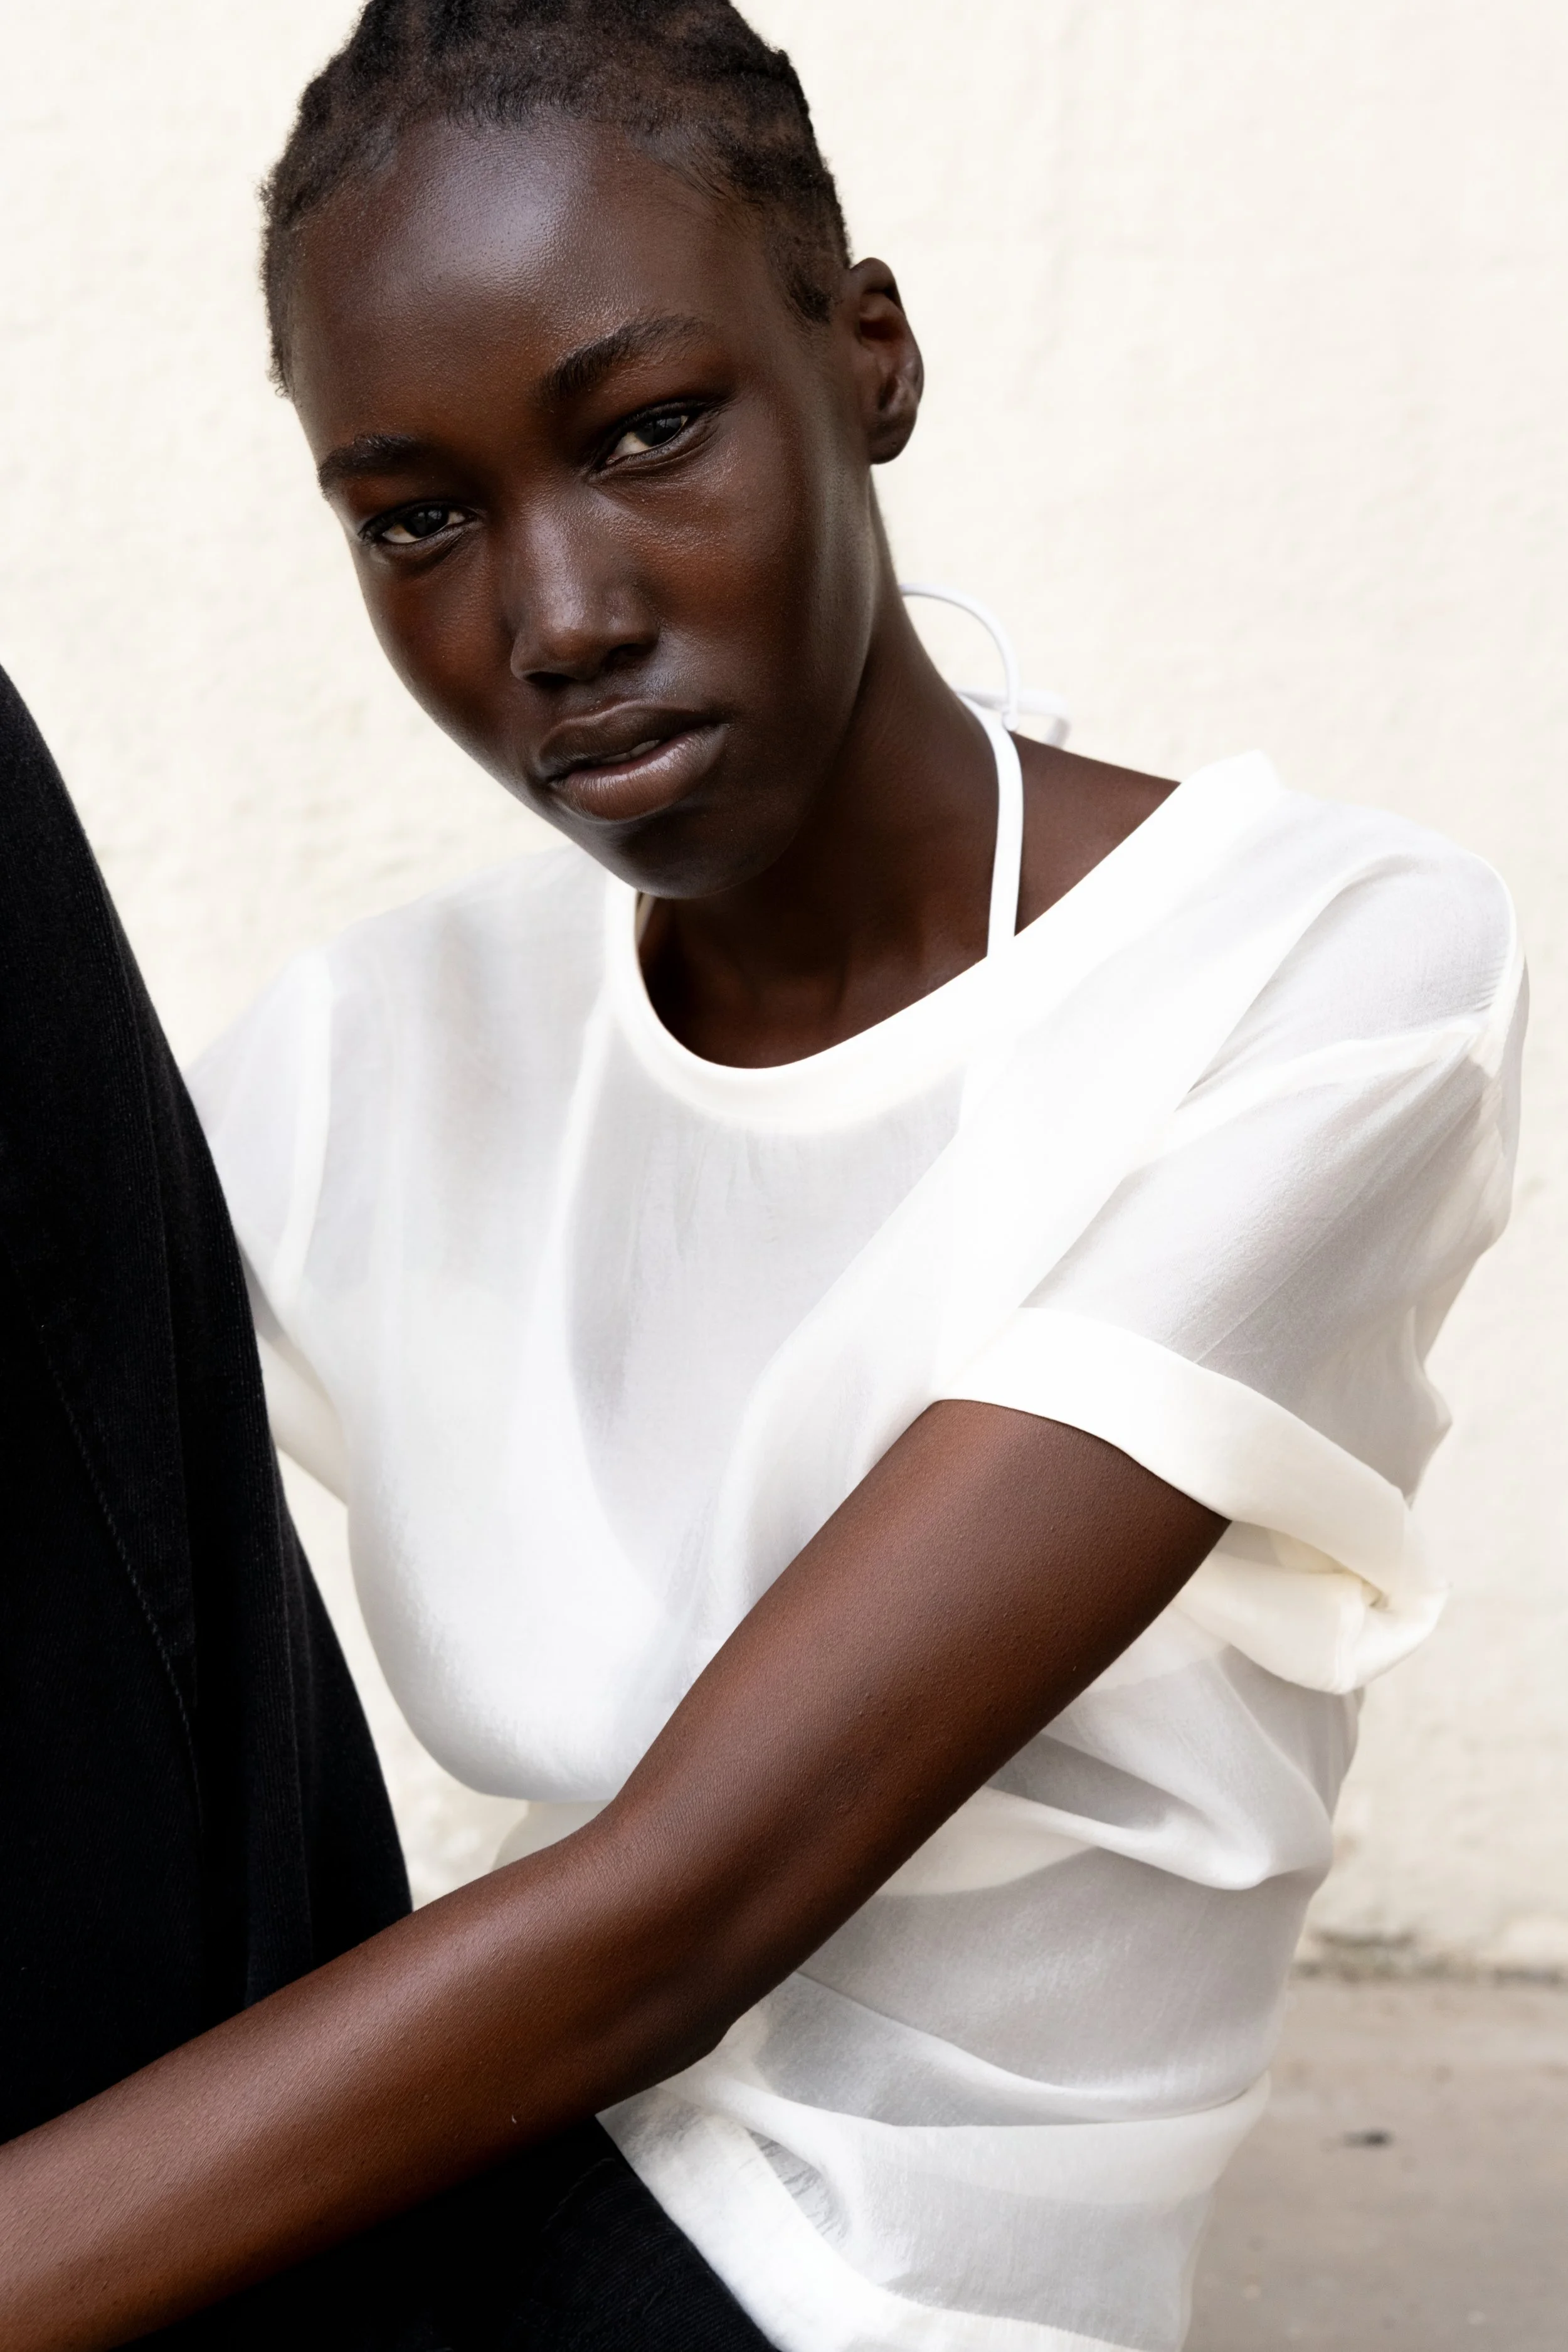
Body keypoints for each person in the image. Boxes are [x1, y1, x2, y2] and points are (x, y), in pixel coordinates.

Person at [0, 3, 1524, 2348]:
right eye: (419, 519)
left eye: (645, 434)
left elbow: (694, 1905)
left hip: (837, 2277)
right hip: (441, 2125)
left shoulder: (1314, 968)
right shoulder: (398, 1032)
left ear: (871, 355)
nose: (561, 619)